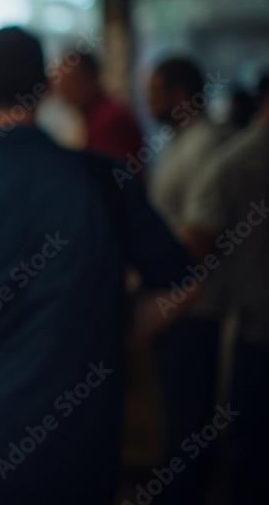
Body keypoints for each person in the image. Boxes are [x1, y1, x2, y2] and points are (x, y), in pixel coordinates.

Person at [0, 27, 198, 504]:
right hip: (77, 457)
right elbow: (183, 284)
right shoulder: (105, 181)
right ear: (47, 89)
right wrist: (106, 332)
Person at [146, 56, 230, 505]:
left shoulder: (205, 145)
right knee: (178, 412)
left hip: (198, 304)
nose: (149, 101)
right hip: (176, 302)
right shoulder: (181, 141)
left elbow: (200, 232)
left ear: (179, 95)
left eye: (155, 92)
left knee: (190, 416)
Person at [182, 83, 269, 505]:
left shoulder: (233, 158)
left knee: (249, 455)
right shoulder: (230, 154)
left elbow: (198, 238)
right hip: (250, 324)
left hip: (253, 329)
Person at [54, 49, 145, 168]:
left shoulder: (110, 120)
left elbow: (109, 178)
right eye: (61, 81)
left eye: (69, 81)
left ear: (88, 78)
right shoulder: (88, 116)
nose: (63, 89)